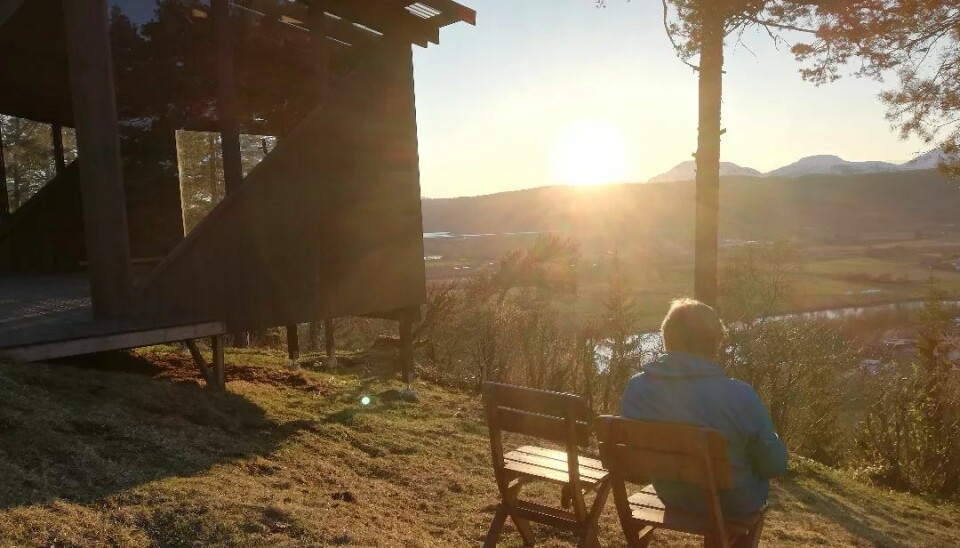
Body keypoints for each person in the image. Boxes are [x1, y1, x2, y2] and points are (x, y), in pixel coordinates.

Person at [621, 297, 787, 518]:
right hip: (732, 504)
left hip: (673, 496)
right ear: (714, 343)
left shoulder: (637, 387)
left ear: (666, 339)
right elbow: (774, 465)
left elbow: (634, 465)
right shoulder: (740, 395)